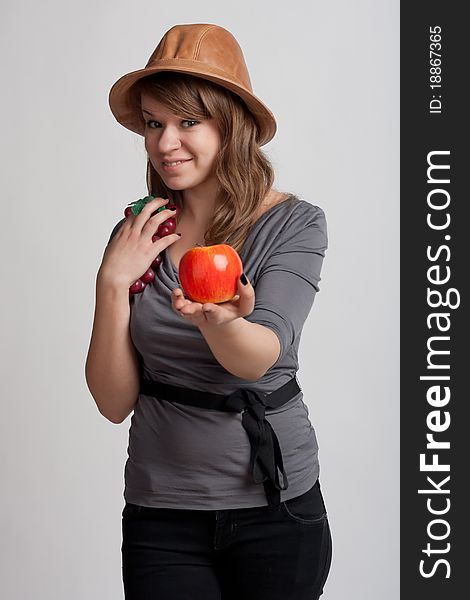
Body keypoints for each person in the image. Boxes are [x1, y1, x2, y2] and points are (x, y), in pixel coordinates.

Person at [85, 23, 332, 600]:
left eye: (188, 122)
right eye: (153, 123)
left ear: (231, 125)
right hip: (161, 510)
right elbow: (113, 402)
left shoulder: (295, 224)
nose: (165, 142)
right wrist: (110, 283)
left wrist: (218, 320)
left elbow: (259, 358)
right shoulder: (138, 233)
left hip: (277, 508)